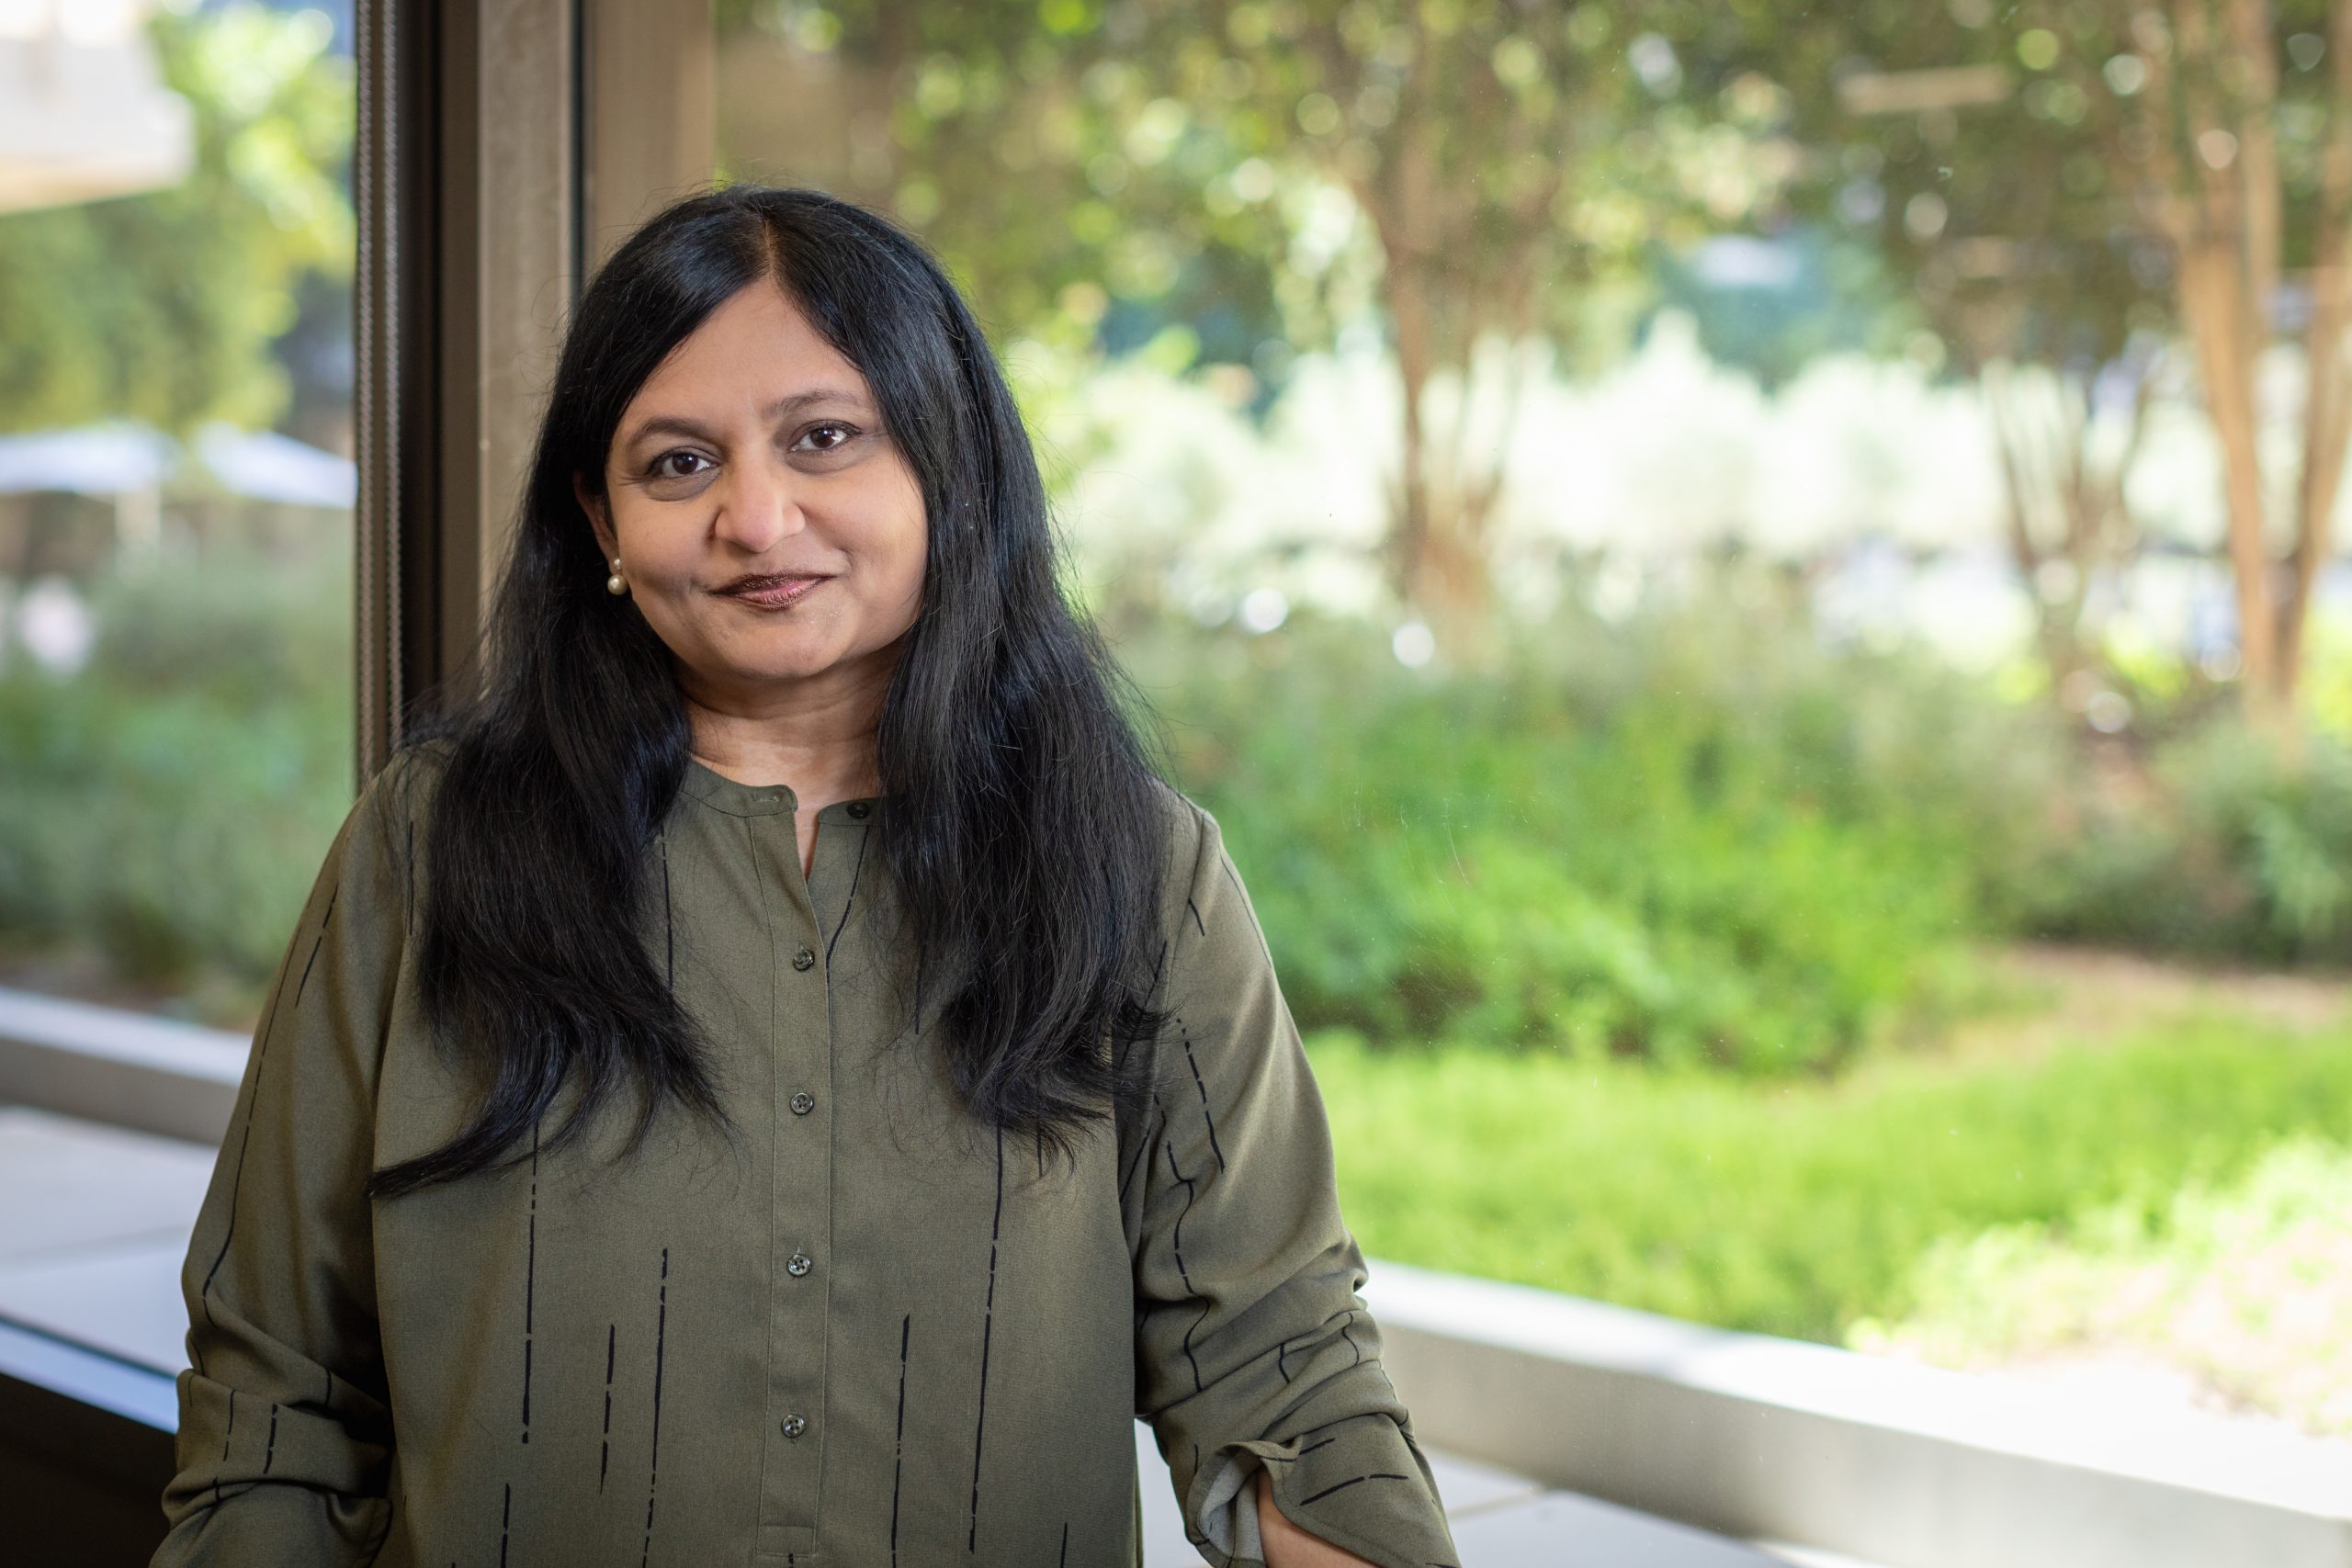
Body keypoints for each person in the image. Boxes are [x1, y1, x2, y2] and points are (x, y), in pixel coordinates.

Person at [153, 184, 1460, 1568]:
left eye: (824, 438)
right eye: (676, 465)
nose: (756, 518)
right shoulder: (425, 855)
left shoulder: (1140, 872)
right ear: (600, 520)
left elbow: (1280, 1366)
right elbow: (275, 1410)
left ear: (946, 468)